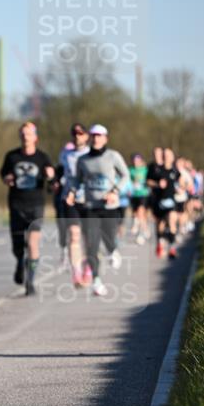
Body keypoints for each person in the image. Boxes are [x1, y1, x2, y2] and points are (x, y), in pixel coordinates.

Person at [67, 123, 129, 297]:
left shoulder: (113, 156)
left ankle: (112, 251)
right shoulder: (83, 160)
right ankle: (96, 281)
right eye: (93, 135)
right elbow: (76, 180)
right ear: (90, 138)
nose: (96, 138)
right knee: (91, 246)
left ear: (105, 138)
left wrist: (115, 191)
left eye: (99, 135)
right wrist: (72, 192)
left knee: (109, 238)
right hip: (90, 207)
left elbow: (125, 176)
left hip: (109, 206)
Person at [0, 121, 55, 296]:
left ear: (35, 137)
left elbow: (52, 184)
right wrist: (7, 178)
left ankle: (30, 282)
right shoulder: (12, 156)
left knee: (32, 243)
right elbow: (3, 174)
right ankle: (19, 262)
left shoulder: (42, 158)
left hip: (36, 205)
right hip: (16, 204)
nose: (26, 137)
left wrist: (51, 177)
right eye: (23, 134)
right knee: (17, 246)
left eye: (29, 134)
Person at [59, 122, 91, 287]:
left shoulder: (91, 154)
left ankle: (88, 267)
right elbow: (60, 173)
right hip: (70, 199)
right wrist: (55, 182)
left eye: (80, 133)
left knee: (89, 237)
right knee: (74, 235)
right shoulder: (66, 154)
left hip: (89, 200)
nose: (77, 136)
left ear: (86, 136)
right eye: (74, 133)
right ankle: (76, 272)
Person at [149, 147, 180, 259]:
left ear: (172, 157)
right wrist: (157, 184)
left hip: (171, 201)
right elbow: (148, 181)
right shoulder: (157, 169)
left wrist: (182, 187)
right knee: (160, 226)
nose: (166, 156)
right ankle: (160, 243)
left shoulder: (175, 171)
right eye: (165, 155)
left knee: (172, 220)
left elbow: (180, 182)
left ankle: (172, 248)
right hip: (159, 202)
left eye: (168, 155)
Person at [129, 153, 151, 244]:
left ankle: (141, 234)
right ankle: (145, 229)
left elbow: (150, 180)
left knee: (140, 212)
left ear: (141, 160)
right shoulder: (130, 170)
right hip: (134, 194)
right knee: (136, 214)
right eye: (134, 160)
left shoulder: (145, 170)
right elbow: (127, 180)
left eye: (137, 160)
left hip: (144, 194)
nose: (136, 162)